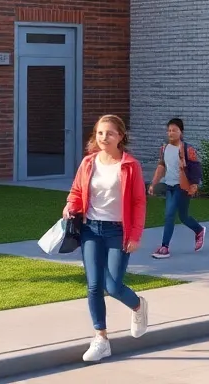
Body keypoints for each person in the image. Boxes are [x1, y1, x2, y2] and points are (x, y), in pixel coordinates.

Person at [63, 114, 149, 363]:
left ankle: (138, 305)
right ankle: (101, 339)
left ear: (120, 136)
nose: (104, 137)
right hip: (90, 229)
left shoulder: (130, 165)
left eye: (110, 133)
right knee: (93, 285)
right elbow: (77, 191)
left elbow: (139, 202)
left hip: (117, 231)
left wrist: (135, 235)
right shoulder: (89, 162)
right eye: (100, 133)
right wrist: (70, 205)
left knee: (113, 286)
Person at [148, 118, 206, 258]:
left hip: (183, 186)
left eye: (174, 130)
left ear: (181, 132)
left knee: (169, 214)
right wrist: (153, 183)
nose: (171, 133)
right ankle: (199, 230)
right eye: (169, 130)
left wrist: (194, 185)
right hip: (170, 186)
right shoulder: (164, 149)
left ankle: (164, 247)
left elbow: (196, 167)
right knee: (183, 216)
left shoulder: (187, 149)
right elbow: (161, 167)